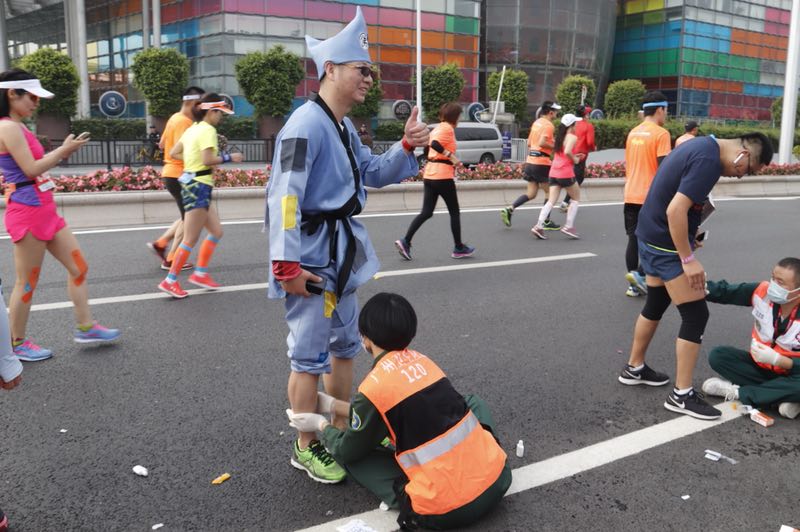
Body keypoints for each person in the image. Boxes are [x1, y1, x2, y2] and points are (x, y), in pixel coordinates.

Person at [266, 6, 429, 484]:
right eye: (362, 70)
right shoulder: (303, 125)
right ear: (331, 69)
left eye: (371, 71)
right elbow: (285, 198)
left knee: (343, 349)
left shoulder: (340, 125)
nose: (369, 79)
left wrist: (404, 148)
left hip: (340, 257)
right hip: (314, 260)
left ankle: (340, 430)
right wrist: (287, 266)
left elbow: (373, 173)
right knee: (308, 358)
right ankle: (306, 444)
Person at [286, 292, 511, 530]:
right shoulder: (424, 361)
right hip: (497, 480)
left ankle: (415, 495)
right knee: (471, 402)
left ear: (366, 339)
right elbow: (399, 407)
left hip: (444, 510)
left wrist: (321, 426)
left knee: (352, 458)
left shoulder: (373, 387)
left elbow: (347, 449)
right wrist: (334, 406)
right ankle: (484, 455)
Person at [617, 131, 773, 420]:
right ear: (744, 155)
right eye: (746, 171)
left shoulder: (700, 145)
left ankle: (634, 367)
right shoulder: (708, 161)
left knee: (655, 303)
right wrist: (688, 259)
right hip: (665, 246)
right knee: (695, 315)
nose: (739, 176)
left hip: (649, 236)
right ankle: (681, 395)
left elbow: (674, 199)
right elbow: (676, 209)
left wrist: (691, 235)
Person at [0, 69, 120, 362]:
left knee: (79, 267)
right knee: (26, 282)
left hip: (44, 209)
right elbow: (30, 169)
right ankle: (16, 344)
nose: (36, 103)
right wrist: (63, 151)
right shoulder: (8, 128)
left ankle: (86, 326)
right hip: (28, 212)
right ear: (11, 94)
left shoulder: (17, 126)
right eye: (31, 97)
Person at [157, 93, 242, 298]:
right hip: (199, 186)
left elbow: (174, 153)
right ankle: (170, 281)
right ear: (211, 112)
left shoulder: (193, 129)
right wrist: (231, 157)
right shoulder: (208, 131)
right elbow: (207, 159)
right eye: (220, 113)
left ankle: (200, 274)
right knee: (190, 238)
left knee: (216, 231)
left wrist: (191, 161)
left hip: (194, 183)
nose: (221, 118)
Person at [701, 257, 800, 420]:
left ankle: (739, 392)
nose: (773, 285)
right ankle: (781, 397)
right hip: (761, 367)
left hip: (793, 373)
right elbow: (728, 291)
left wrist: (780, 360)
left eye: (781, 283)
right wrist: (702, 287)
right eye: (773, 278)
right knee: (719, 356)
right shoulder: (762, 292)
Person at [394, 102, 475, 260]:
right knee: (454, 212)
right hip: (442, 176)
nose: (460, 118)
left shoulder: (438, 128)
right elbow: (435, 144)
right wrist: (451, 156)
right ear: (455, 116)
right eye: (459, 115)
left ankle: (406, 241)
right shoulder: (447, 128)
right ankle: (459, 248)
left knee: (426, 212)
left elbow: (428, 147)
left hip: (430, 175)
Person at [146, 86, 205, 271]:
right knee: (189, 219)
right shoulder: (184, 122)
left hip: (170, 173)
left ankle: (162, 243)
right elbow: (181, 150)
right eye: (198, 104)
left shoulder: (173, 118)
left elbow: (163, 144)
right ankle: (171, 259)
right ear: (189, 102)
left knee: (185, 216)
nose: (200, 109)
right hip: (181, 174)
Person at [622, 91, 672, 297]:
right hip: (650, 197)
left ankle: (633, 284)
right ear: (660, 109)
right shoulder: (661, 134)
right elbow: (664, 170)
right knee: (656, 241)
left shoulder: (633, 132)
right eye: (666, 110)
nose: (666, 115)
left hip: (630, 194)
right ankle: (641, 275)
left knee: (633, 240)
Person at [499, 101, 561, 230]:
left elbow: (529, 143)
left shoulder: (536, 123)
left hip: (531, 162)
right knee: (550, 192)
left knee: (531, 194)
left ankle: (510, 208)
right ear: (550, 112)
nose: (557, 113)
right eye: (556, 111)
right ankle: (546, 221)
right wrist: (556, 146)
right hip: (541, 163)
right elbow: (543, 142)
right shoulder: (549, 125)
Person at [532, 113, 583, 239]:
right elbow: (567, 152)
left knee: (551, 201)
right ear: (571, 125)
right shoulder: (572, 137)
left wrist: (575, 155)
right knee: (576, 198)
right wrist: (575, 160)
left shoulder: (559, 137)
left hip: (554, 172)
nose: (576, 125)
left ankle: (538, 226)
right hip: (565, 172)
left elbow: (560, 151)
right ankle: (569, 226)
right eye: (575, 123)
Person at [560, 104, 595, 212]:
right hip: (580, 155)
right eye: (588, 113)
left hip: (568, 153)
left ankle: (566, 201)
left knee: (572, 175)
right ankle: (566, 202)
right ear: (585, 115)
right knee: (578, 178)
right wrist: (593, 148)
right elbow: (590, 142)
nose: (589, 115)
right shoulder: (588, 126)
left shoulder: (573, 124)